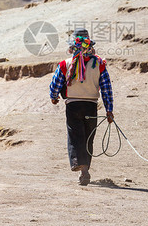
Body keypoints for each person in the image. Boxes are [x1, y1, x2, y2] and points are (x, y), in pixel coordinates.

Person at [49, 28, 114, 186]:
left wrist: (54, 97)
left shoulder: (66, 64)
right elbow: (106, 89)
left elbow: (56, 84)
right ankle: (85, 170)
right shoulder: (99, 64)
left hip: (73, 106)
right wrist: (109, 110)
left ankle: (84, 171)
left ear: (73, 46)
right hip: (91, 106)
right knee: (88, 138)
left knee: (76, 137)